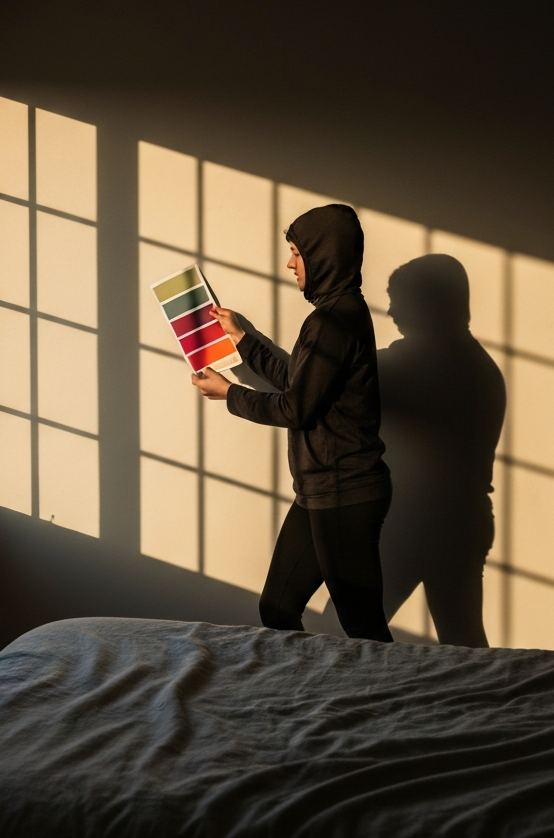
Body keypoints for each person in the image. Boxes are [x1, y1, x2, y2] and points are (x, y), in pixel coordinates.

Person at [191, 204, 393, 642]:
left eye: (296, 252)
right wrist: (244, 339)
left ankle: (397, 706)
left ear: (324, 255)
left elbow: (293, 408)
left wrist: (230, 394)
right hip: (323, 491)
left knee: (365, 631)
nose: (289, 263)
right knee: (278, 607)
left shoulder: (331, 322)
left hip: (345, 492)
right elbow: (301, 385)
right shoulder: (341, 313)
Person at [376, 254, 506, 647]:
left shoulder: (412, 363)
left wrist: (246, 346)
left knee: (343, 631)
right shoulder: (480, 366)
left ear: (429, 304)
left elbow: (315, 377)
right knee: (464, 641)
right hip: (463, 522)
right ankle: (494, 704)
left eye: (399, 299)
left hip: (416, 522)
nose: (391, 309)